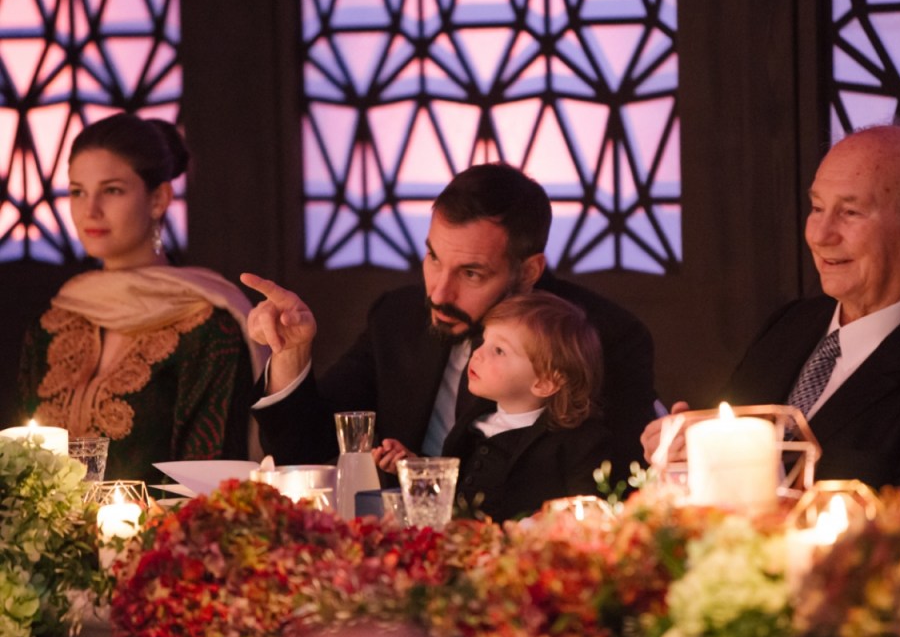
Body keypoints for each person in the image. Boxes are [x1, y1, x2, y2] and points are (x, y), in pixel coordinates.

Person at [642, 122, 900, 489]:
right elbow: (726, 442)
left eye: (850, 212)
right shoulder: (791, 325)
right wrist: (687, 449)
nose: (821, 236)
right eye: (817, 208)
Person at [244, 163, 658, 484]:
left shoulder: (602, 337)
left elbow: (614, 484)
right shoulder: (397, 316)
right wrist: (291, 354)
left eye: (471, 273)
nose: (440, 293)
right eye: (434, 258)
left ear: (529, 271)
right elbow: (303, 453)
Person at [17, 112, 266, 481]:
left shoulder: (207, 327)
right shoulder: (53, 325)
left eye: (112, 190)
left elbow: (207, 481)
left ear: (159, 199)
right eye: (77, 192)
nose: (90, 210)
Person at [376, 291, 609, 522]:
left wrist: (534, 526)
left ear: (544, 382)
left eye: (499, 350)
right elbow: (451, 494)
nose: (477, 354)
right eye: (484, 340)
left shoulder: (578, 442)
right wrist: (414, 467)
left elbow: (588, 511)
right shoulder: (475, 421)